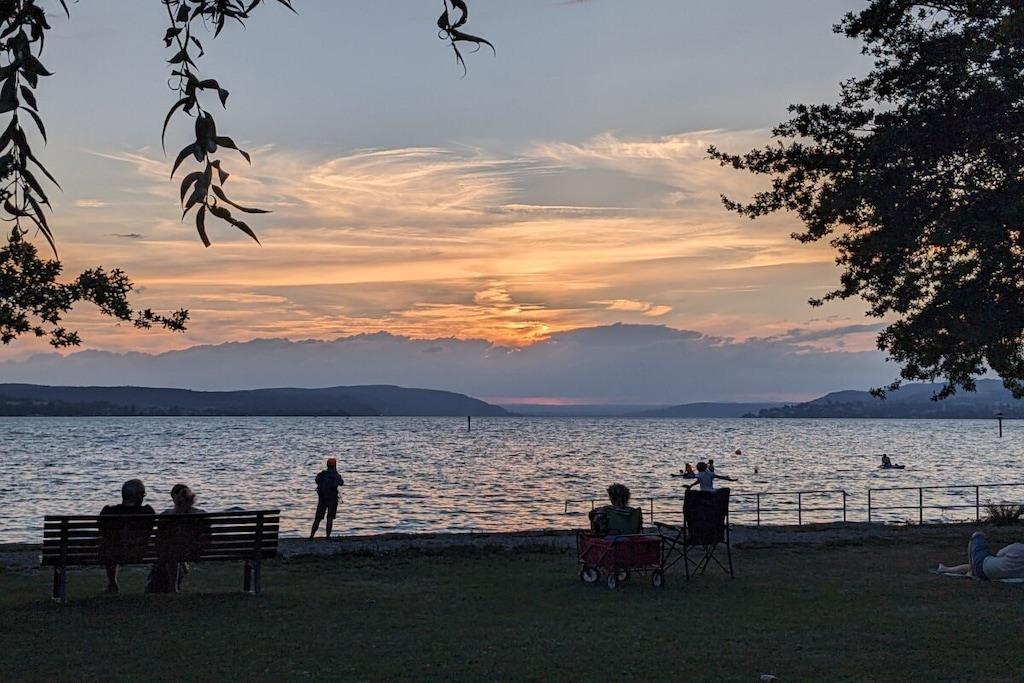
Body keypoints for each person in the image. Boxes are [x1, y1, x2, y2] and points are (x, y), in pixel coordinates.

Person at [146, 484, 206, 593]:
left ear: (174, 499)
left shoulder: (166, 515)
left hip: (172, 553)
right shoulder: (201, 514)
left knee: (171, 549)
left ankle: (172, 586)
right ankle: (182, 564)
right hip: (197, 551)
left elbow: (159, 538)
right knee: (174, 548)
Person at [99, 479, 155, 594]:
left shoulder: (108, 512)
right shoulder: (147, 512)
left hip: (112, 553)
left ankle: (112, 583)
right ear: (139, 496)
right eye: (143, 494)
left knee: (110, 545)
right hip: (140, 553)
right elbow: (149, 532)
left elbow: (103, 532)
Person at [935, 532, 1024, 580]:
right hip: (992, 572)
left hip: (984, 568)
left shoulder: (1016, 547)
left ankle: (971, 572)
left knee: (977, 535)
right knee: (976, 565)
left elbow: (999, 554)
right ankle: (946, 569)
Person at [310, 458, 345, 540]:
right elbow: (341, 483)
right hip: (332, 499)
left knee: (318, 518)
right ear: (335, 466)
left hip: (322, 499)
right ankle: (327, 537)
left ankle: (311, 536)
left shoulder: (321, 475)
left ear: (327, 465)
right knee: (330, 518)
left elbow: (316, 480)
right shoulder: (336, 476)